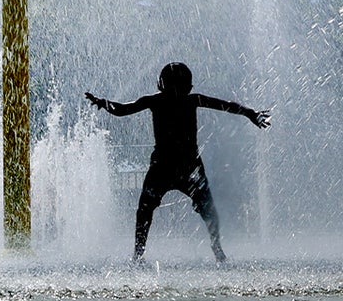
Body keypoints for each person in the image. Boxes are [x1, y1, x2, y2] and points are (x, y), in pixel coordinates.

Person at [85, 62, 270, 263]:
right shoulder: (189, 100)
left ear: (160, 83)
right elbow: (227, 106)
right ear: (188, 86)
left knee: (146, 209)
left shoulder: (158, 100)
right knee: (207, 209)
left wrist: (103, 103)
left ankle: (139, 253)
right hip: (187, 167)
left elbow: (123, 109)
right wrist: (250, 113)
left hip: (165, 166)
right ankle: (216, 248)